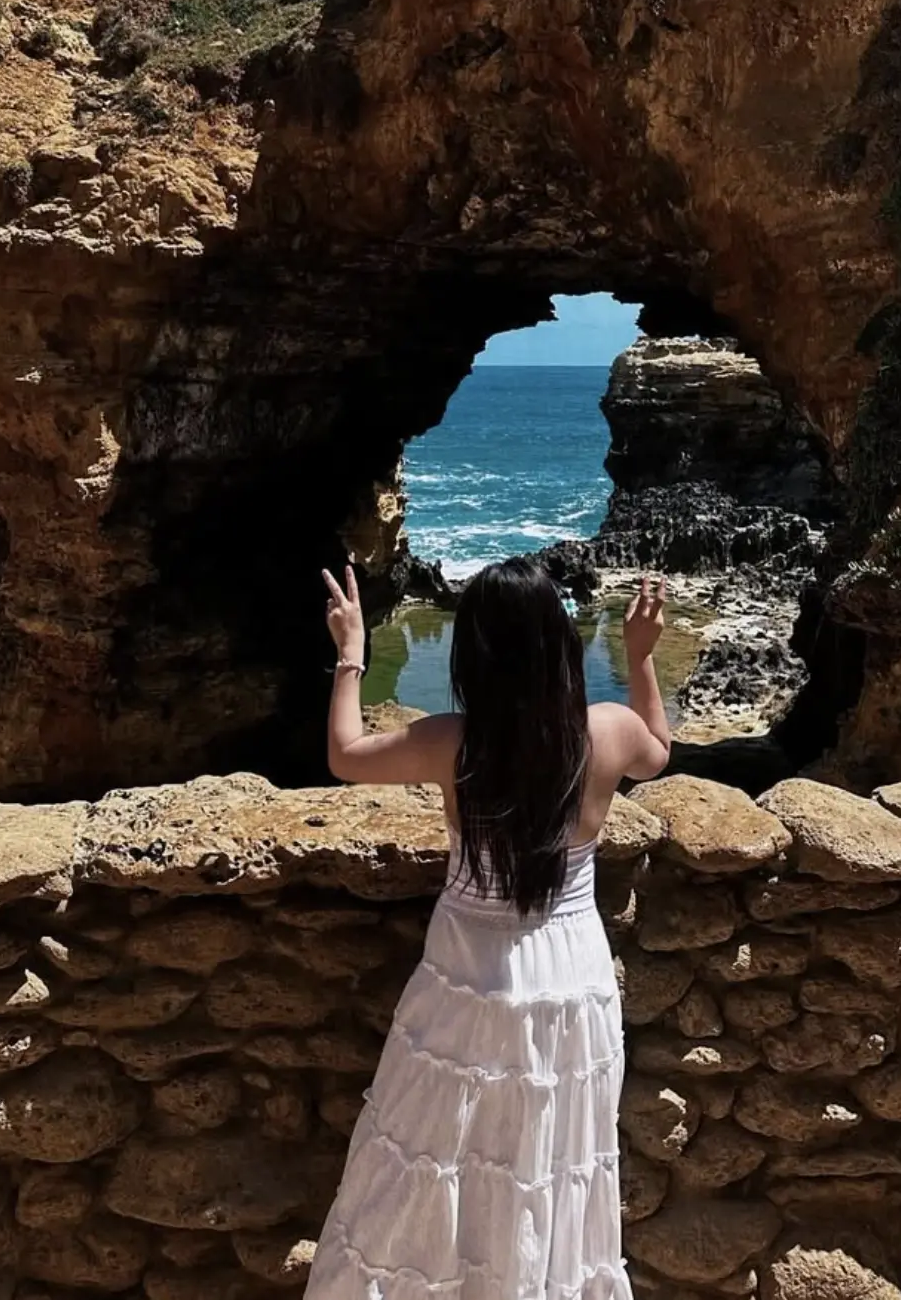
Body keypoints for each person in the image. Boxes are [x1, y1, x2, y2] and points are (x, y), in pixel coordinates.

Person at [304, 556, 672, 1300]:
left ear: (475, 653)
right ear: (560, 644)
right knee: (547, 1159)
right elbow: (659, 755)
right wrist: (639, 658)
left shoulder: (454, 741)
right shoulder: (607, 733)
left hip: (470, 974)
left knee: (436, 1158)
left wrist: (351, 654)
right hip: (572, 978)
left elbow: (344, 756)